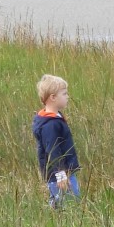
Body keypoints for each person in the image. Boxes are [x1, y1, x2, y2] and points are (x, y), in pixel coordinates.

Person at [32, 74, 81, 207]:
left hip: (65, 171)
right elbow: (53, 150)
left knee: (66, 201)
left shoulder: (55, 118)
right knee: (69, 203)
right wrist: (60, 174)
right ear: (53, 98)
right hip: (59, 174)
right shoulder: (50, 125)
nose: (67, 97)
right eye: (64, 94)